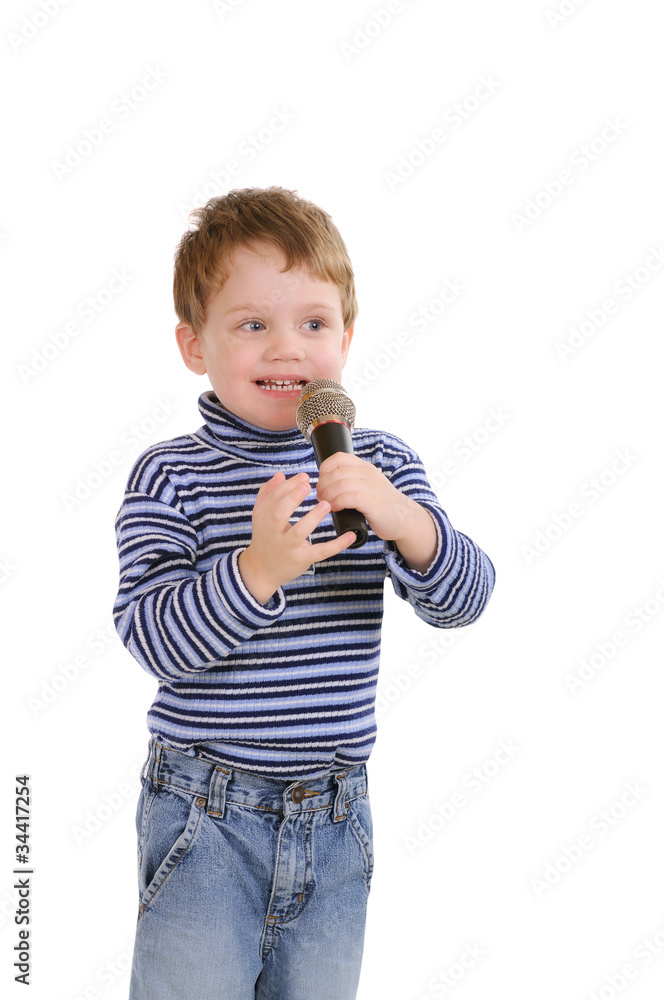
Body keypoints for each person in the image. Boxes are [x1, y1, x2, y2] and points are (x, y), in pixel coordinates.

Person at [112, 185, 495, 999]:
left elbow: (463, 598)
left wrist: (405, 522)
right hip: (206, 812)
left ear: (346, 340)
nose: (287, 348)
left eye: (313, 324)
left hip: (336, 817)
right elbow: (150, 636)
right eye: (253, 325)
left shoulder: (376, 466)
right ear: (193, 344)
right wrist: (256, 572)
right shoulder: (171, 475)